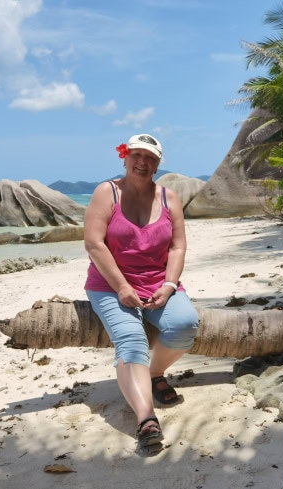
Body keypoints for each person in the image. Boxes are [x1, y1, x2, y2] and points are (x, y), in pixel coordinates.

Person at [84, 134, 199, 450]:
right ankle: (146, 417)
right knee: (131, 340)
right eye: (136, 155)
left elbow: (177, 246)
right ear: (125, 157)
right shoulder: (107, 193)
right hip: (109, 284)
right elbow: (94, 243)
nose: (142, 162)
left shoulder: (169, 198)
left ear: (158, 164)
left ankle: (154, 372)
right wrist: (121, 287)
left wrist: (170, 285)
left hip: (159, 283)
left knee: (185, 326)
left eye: (150, 158)